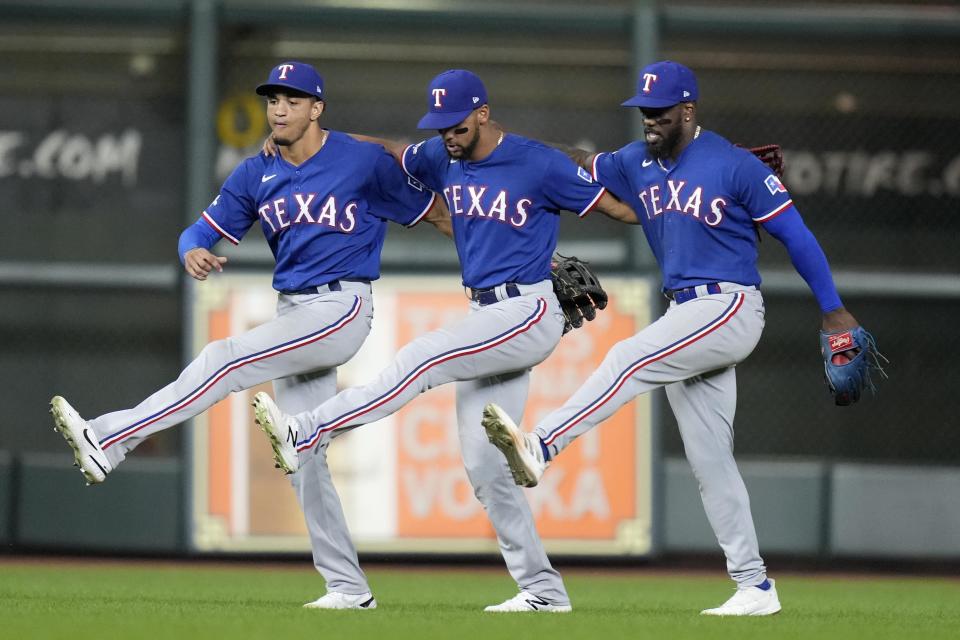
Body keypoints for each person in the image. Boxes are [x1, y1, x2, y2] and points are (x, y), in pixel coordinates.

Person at [49, 61, 449, 610]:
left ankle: (111, 439)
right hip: (296, 309)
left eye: (292, 99)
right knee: (304, 458)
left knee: (224, 357)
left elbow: (433, 210)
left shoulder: (359, 160)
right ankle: (349, 588)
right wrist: (190, 246)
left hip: (342, 306)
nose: (279, 108)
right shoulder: (255, 172)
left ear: (317, 108)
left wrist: (510, 261)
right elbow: (204, 228)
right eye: (272, 100)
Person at [481, 60, 867, 617]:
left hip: (728, 305)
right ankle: (754, 586)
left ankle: (542, 444)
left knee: (628, 356)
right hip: (685, 312)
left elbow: (797, 236)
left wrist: (833, 310)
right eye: (643, 113)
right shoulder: (635, 161)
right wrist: (514, 147)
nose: (649, 121)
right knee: (710, 460)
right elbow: (582, 163)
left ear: (688, 110)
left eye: (659, 112)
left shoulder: (734, 166)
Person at [252, 68, 638, 613]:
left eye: (455, 126)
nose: (448, 137)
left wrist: (676, 197)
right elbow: (388, 150)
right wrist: (316, 139)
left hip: (527, 307)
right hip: (487, 312)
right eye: (440, 128)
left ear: (483, 113)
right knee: (486, 469)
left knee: (422, 356)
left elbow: (621, 209)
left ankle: (306, 430)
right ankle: (545, 593)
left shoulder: (537, 162)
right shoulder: (440, 156)